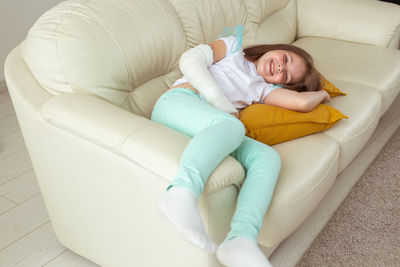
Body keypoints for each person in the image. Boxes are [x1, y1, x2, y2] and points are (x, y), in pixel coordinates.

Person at [151, 25, 330, 267]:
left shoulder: (264, 89)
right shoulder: (233, 48)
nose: (280, 67)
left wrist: (322, 95)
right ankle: (180, 193)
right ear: (279, 48)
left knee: (267, 157)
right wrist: (221, 103)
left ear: (282, 85)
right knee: (234, 126)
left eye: (285, 76)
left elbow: (301, 103)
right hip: (177, 104)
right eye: (285, 58)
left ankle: (241, 239)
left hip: (212, 128)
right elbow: (190, 60)